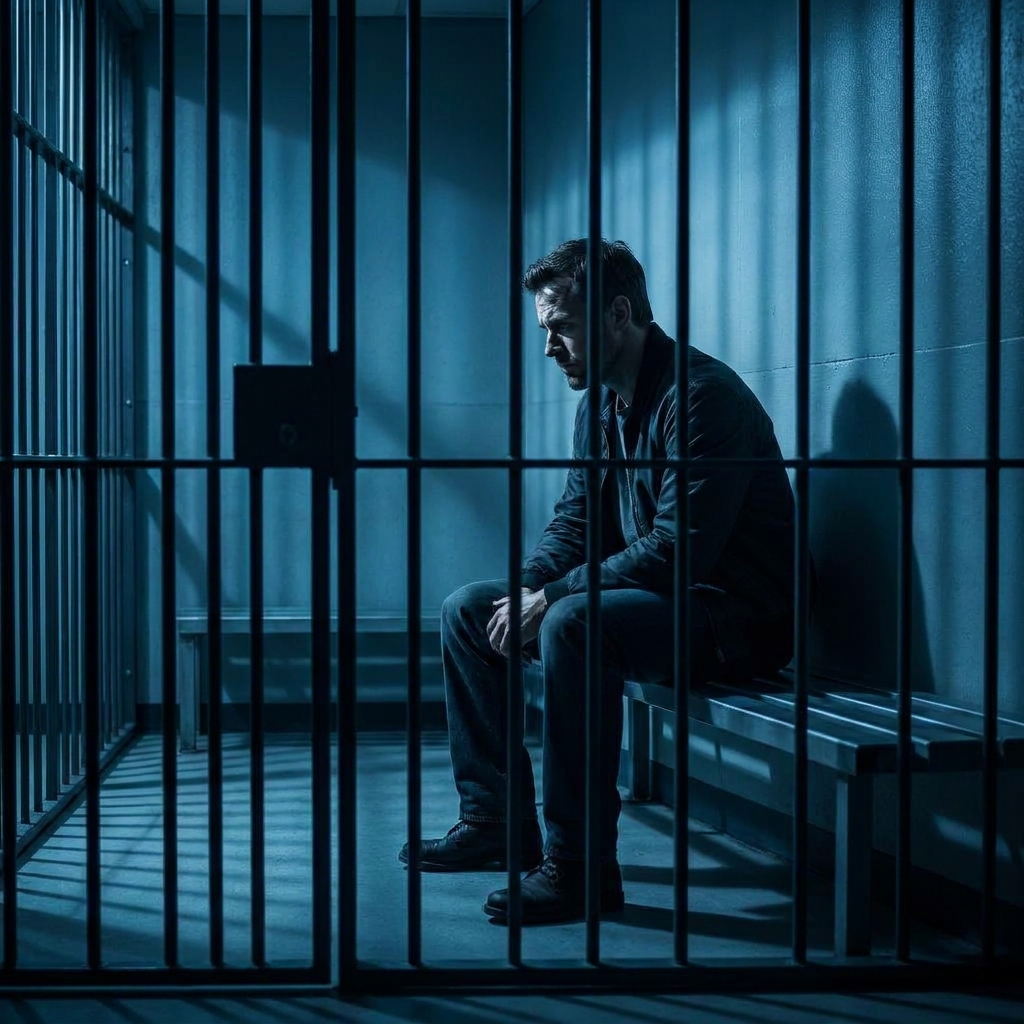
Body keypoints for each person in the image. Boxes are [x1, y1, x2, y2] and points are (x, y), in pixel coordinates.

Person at [398, 239, 796, 925]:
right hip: (662, 604)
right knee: (470, 610)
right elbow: (576, 523)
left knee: (572, 622)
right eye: (545, 328)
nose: (549, 345)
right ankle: (496, 821)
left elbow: (680, 552)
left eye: (561, 325)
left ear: (617, 314)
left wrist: (551, 598)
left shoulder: (702, 398)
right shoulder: (601, 407)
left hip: (735, 619)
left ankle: (580, 867)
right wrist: (525, 589)